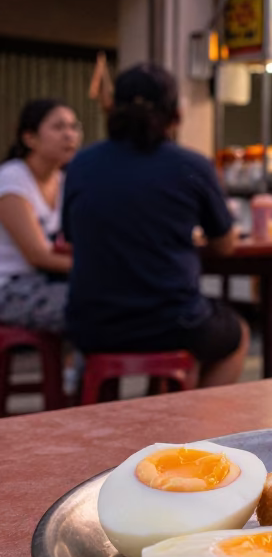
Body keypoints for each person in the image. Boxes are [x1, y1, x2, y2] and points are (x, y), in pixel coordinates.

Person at [62, 64, 249, 387]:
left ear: (110, 109)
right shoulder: (192, 165)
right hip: (173, 322)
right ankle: (197, 429)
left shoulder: (81, 164)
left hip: (91, 325)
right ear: (175, 114)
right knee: (237, 335)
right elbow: (225, 245)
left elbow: (70, 235)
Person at [0, 100, 81, 331]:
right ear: (30, 139)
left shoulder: (65, 181)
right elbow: (38, 255)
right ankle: (75, 369)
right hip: (10, 288)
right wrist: (95, 268)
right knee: (91, 307)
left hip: (48, 283)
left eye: (73, 127)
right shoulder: (12, 179)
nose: (69, 135)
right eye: (58, 127)